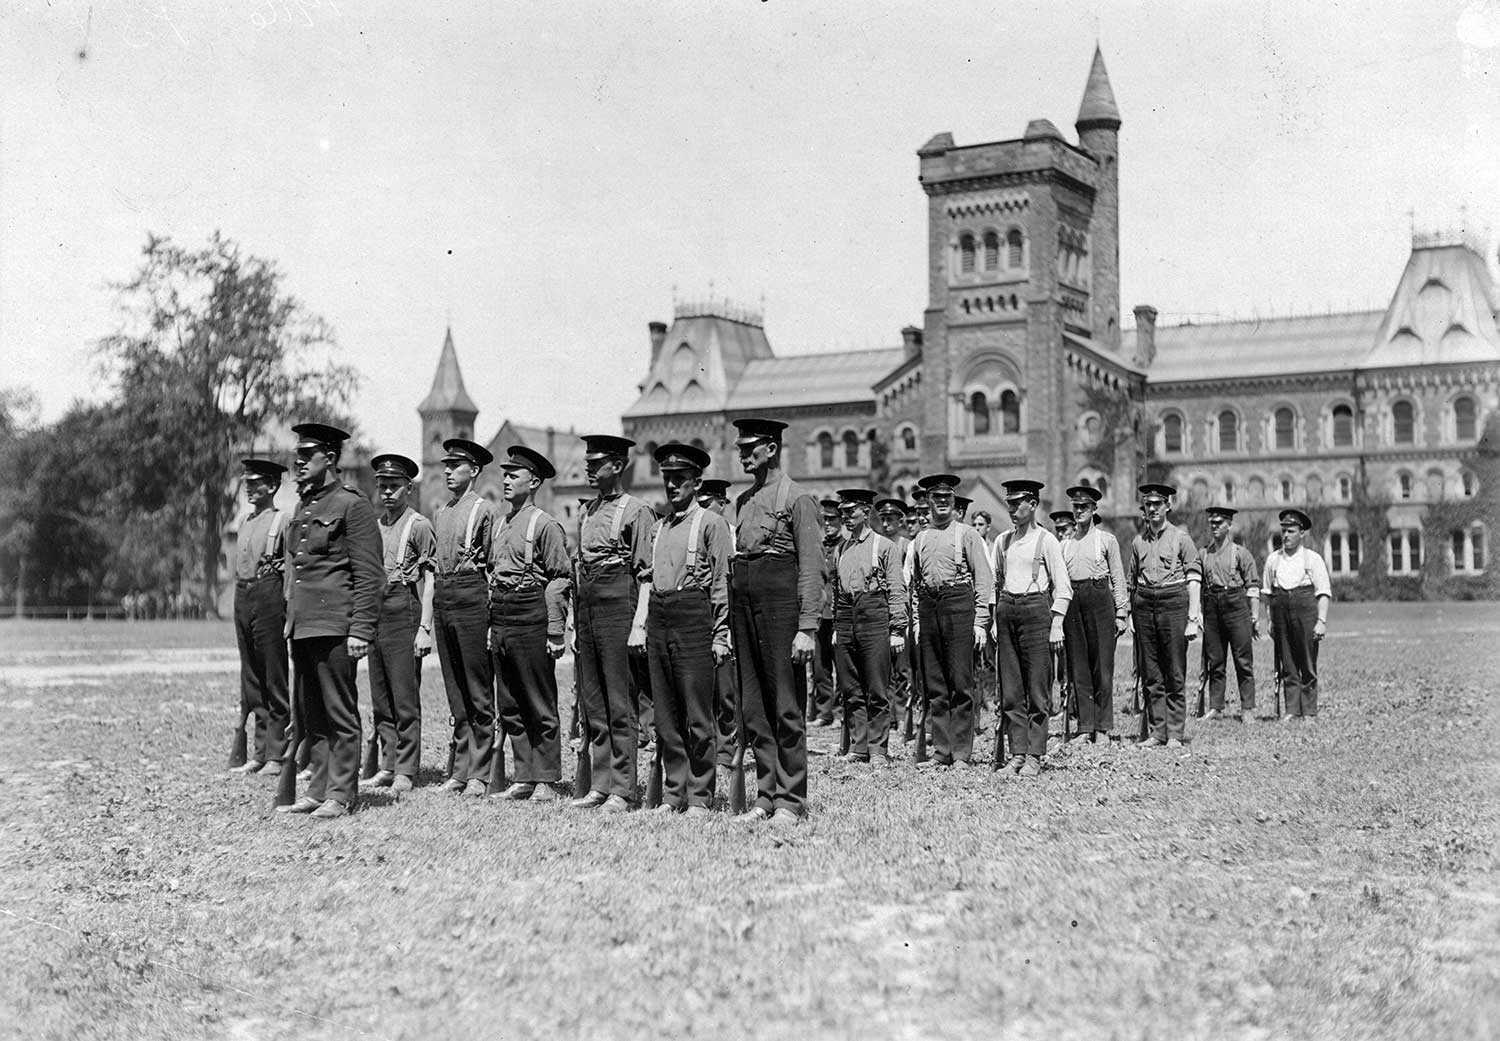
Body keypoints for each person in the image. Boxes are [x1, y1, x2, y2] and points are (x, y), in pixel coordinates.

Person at [276, 423, 384, 819]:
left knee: (339, 711)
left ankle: (341, 792)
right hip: (303, 624)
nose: (299, 463)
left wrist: (361, 629)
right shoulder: (304, 507)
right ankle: (318, 787)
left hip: (336, 625)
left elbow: (370, 574)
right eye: (297, 457)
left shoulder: (352, 505)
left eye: (308, 457)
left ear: (331, 459)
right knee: (311, 713)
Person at [728, 417, 825, 825]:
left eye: (751, 447)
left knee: (785, 704)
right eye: (740, 447)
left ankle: (790, 799)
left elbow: (811, 567)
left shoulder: (797, 499)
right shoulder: (744, 501)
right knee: (754, 707)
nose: (742, 454)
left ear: (772, 448)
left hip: (781, 606)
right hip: (745, 607)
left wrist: (807, 628)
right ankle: (765, 795)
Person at [646, 443, 733, 815]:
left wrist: (721, 634)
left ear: (696, 483)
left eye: (679, 479)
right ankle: (673, 793)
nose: (672, 485)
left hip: (695, 619)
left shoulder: (710, 524)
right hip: (659, 620)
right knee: (666, 716)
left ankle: (700, 795)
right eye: (667, 478)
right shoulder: (659, 527)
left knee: (698, 715)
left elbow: (723, 584)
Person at [570, 434, 655, 814]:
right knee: (593, 700)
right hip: (587, 609)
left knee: (621, 701)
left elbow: (646, 575)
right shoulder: (586, 512)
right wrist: (574, 622)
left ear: (618, 465)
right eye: (588, 461)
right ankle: (600, 784)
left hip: (619, 608)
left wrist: (640, 624)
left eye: (597, 462)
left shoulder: (636, 511)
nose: (589, 468)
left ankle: (623, 788)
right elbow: (577, 568)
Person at [488, 446, 573, 802]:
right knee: (509, 701)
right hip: (503, 614)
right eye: (504, 474)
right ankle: (524, 775)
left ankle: (546, 779)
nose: (506, 480)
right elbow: (493, 573)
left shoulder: (545, 524)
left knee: (538, 698)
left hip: (531, 612)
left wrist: (555, 629)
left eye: (514, 475)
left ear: (534, 481)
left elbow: (559, 578)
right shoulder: (500, 523)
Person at [904, 474, 994, 767]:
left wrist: (980, 622)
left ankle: (960, 754)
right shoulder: (919, 539)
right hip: (930, 608)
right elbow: (915, 587)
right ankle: (941, 752)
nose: (942, 503)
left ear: (954, 501)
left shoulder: (967, 535)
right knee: (935, 684)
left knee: (960, 682)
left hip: (959, 605)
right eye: (936, 498)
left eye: (947, 498)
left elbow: (983, 580)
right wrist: (917, 621)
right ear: (927, 502)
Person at [361, 454, 436, 794]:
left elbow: (431, 578)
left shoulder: (418, 525)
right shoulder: (374, 526)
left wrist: (424, 627)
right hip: (377, 609)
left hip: (403, 607)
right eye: (383, 486)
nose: (388, 492)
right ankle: (388, 763)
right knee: (380, 695)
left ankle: (406, 769)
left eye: (394, 486)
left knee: (404, 694)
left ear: (409, 488)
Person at [992, 479, 1071, 777]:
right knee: (1011, 689)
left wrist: (1057, 622)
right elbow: (996, 581)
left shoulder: (1047, 541)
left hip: (1037, 611)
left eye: (1017, 504)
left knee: (1038, 687)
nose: (1011, 509)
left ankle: (1035, 755)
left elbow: (1063, 588)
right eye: (1009, 504)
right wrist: (994, 621)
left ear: (1033, 504)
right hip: (1007, 610)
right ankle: (1017, 753)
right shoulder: (1003, 541)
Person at [431, 438, 496, 796]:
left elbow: (492, 562)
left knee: (477, 687)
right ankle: (459, 769)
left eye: (455, 466)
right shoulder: (442, 512)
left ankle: (480, 771)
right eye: (445, 465)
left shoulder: (482, 510)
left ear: (473, 471)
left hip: (472, 595)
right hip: (444, 595)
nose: (447, 472)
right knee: (455, 688)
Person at [831, 489, 907, 764]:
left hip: (875, 614)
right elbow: (837, 590)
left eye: (851, 512)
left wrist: (897, 629)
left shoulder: (883, 546)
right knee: (851, 688)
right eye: (843, 514)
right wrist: (838, 627)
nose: (847, 518)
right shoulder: (841, 548)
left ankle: (878, 749)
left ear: (866, 511)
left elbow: (897, 590)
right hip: (846, 616)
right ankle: (858, 746)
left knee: (876, 687)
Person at [1126, 483, 1202, 749]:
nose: (1153, 509)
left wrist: (1193, 618)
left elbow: (1194, 578)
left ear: (1168, 506)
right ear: (1144, 509)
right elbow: (1131, 582)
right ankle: (1157, 732)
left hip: (1173, 602)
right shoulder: (1138, 542)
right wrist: (1130, 617)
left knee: (1174, 670)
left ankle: (1175, 733)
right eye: (1148, 504)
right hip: (1145, 604)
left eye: (1158, 504)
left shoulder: (1181, 538)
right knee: (1151, 672)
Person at [231, 458, 290, 776]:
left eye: (257, 483)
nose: (250, 488)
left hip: (270, 597)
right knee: (251, 678)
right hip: (243, 596)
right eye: (248, 483)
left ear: (273, 486)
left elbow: (291, 568)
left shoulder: (282, 520)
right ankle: (259, 751)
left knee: (273, 675)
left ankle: (277, 754)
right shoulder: (245, 520)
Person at [1060, 485, 1129, 745]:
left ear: (1093, 509)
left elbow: (1118, 578)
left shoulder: (1107, 540)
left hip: (1100, 599)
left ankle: (1102, 728)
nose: (1079, 512)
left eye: (1084, 507)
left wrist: (1121, 611)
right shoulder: (1065, 544)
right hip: (1074, 603)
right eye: (1076, 507)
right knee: (1079, 667)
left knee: (1102, 667)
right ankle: (1085, 727)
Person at [1260, 508, 1331, 720]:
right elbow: (1267, 593)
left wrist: (1321, 621)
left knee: (1307, 662)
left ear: (1302, 533)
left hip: (1305, 611)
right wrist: (1270, 620)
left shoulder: (1312, 559)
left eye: (1291, 531)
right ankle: (1292, 709)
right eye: (1283, 531)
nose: (1286, 536)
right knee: (1288, 662)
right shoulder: (1273, 560)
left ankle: (1309, 710)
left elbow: (1324, 592)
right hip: (1280, 612)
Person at [1198, 505, 1261, 722]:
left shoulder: (1241, 554)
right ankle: (1216, 706)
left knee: (1243, 660)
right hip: (1211, 608)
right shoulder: (1203, 554)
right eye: (1212, 523)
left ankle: (1248, 708)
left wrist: (1254, 617)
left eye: (1219, 523)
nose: (1214, 526)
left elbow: (1253, 587)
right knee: (1215, 660)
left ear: (1229, 525)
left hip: (1236, 606)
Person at [698, 478, 740, 773]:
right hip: (697, 615)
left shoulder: (733, 534)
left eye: (708, 504)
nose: (703, 510)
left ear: (722, 504)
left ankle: (727, 753)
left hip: (725, 617)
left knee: (726, 691)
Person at [875, 497, 914, 727]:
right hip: (881, 609)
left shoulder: (907, 545)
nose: (886, 523)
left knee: (901, 666)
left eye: (890, 518)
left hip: (902, 610)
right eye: (883, 519)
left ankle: (902, 712)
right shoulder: (877, 544)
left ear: (901, 521)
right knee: (884, 666)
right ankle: (888, 715)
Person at [809, 497, 843, 726]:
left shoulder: (846, 545)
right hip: (821, 613)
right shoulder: (819, 546)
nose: (828, 523)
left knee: (842, 665)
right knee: (820, 666)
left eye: (832, 519)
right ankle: (824, 711)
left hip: (839, 612)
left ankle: (841, 711)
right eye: (825, 519)